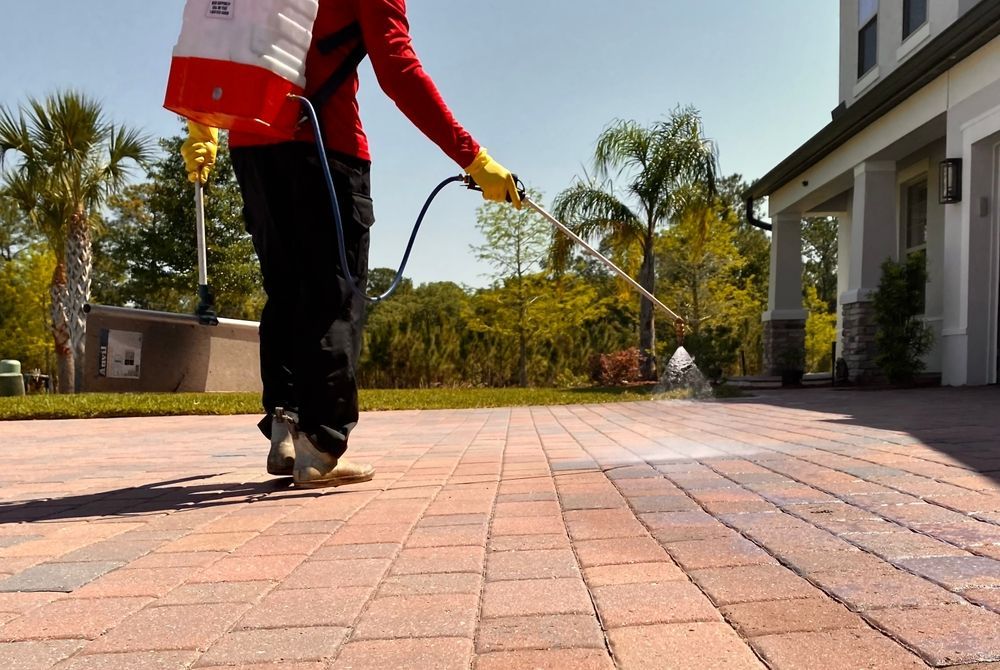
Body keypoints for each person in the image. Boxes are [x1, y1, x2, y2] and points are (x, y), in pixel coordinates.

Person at [181, 0, 520, 489]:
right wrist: (473, 157)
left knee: (285, 289)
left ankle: (285, 426)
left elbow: (216, 39)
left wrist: (203, 127)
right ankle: (320, 448)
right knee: (333, 298)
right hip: (326, 147)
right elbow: (397, 67)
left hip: (251, 148)